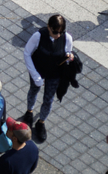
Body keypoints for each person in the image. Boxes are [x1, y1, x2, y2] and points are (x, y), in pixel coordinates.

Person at [21, 15, 73, 143]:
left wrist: (69, 57)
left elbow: (67, 53)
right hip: (38, 68)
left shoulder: (67, 38)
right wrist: (35, 75)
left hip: (55, 73)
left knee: (49, 99)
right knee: (33, 90)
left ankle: (41, 122)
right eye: (55, 32)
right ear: (49, 27)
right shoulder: (38, 36)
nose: (58, 35)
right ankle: (29, 112)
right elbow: (27, 53)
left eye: (61, 32)